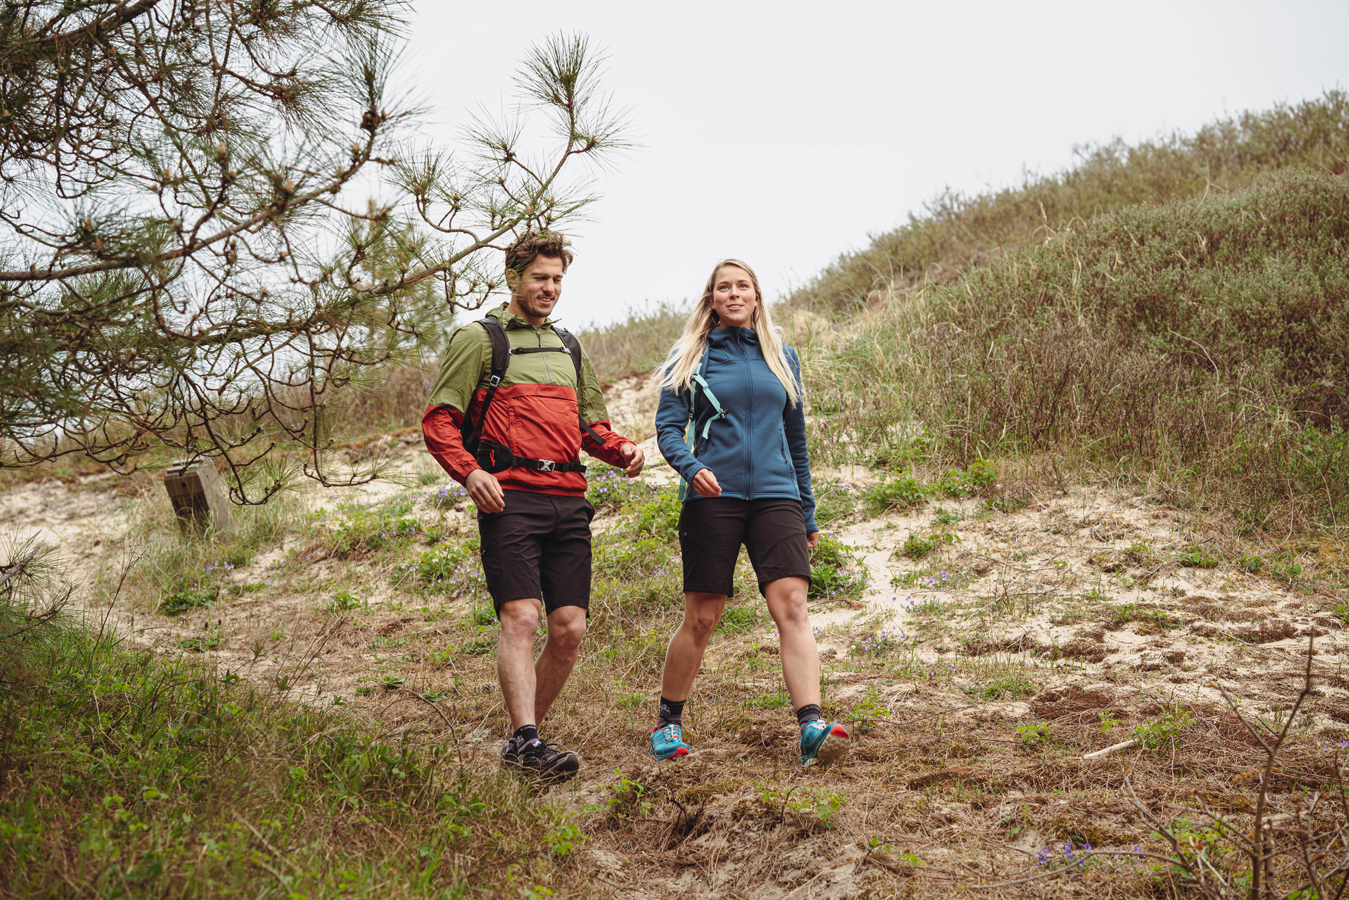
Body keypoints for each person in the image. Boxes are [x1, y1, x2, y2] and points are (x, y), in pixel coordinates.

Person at [422, 232, 644, 778]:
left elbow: (591, 426)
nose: (550, 288)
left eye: (557, 279)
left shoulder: (569, 346)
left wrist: (622, 451)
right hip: (511, 500)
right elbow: (439, 420)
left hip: (569, 501)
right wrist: (470, 472)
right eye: (540, 278)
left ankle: (524, 745)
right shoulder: (481, 339)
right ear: (513, 278)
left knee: (568, 630)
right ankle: (527, 742)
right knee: (522, 619)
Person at [649, 258, 849, 767]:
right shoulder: (689, 356)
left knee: (794, 609)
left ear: (756, 296)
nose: (734, 294)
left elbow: (795, 439)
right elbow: (669, 430)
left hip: (777, 496)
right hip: (712, 498)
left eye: (743, 286)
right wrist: (692, 469)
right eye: (724, 288)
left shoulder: (782, 356)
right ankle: (667, 725)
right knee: (702, 617)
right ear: (712, 298)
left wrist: (807, 510)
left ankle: (810, 725)